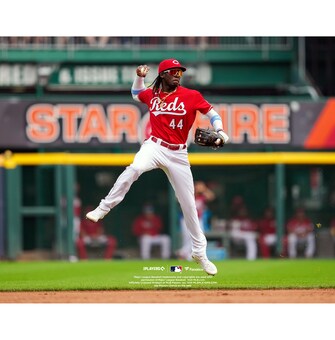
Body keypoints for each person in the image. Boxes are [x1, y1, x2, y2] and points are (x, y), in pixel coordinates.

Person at [85, 58, 229, 275]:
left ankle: (200, 252)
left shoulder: (191, 95)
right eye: (173, 72)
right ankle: (103, 208)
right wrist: (140, 77)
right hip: (155, 146)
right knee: (134, 168)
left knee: (189, 204)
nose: (178, 75)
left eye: (180, 72)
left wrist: (220, 130)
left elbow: (212, 113)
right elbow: (135, 93)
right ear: (163, 75)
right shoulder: (152, 94)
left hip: (179, 153)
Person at [176, 181, 216, 260]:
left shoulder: (202, 197)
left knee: (200, 236)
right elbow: (178, 198)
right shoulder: (189, 194)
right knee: (187, 236)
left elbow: (211, 197)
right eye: (197, 186)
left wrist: (204, 189)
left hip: (198, 219)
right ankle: (186, 254)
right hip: (186, 219)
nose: (199, 188)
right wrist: (194, 189)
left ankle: (184, 253)